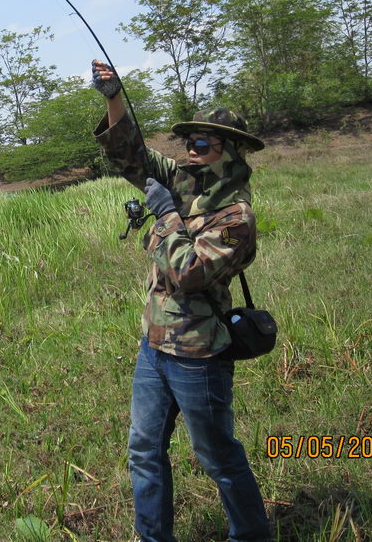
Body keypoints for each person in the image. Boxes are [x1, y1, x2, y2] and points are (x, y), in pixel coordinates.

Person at [91, 60, 271, 541]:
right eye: (188, 144)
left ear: (228, 154)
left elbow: (189, 273)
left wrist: (167, 217)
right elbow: (132, 156)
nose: (189, 153)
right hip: (155, 345)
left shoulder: (236, 217)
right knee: (144, 450)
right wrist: (113, 97)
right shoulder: (183, 181)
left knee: (218, 458)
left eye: (202, 145)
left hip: (198, 354)